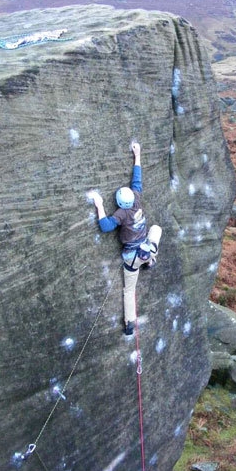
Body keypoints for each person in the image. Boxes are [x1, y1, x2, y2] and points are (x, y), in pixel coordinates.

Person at [88, 142, 162, 335]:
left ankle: (130, 324)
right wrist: (137, 154)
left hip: (131, 258)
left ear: (120, 203)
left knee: (129, 291)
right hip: (146, 248)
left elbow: (105, 226)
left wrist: (99, 205)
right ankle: (151, 260)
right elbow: (137, 180)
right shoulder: (137, 198)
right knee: (156, 229)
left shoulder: (121, 215)